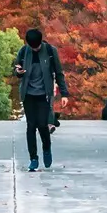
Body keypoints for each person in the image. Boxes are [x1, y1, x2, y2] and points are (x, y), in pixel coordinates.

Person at [13, 26, 69, 171]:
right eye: (33, 47)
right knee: (30, 126)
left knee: (43, 125)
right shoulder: (24, 51)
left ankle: (46, 149)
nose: (35, 49)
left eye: (37, 46)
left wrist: (64, 94)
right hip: (28, 94)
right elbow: (16, 69)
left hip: (44, 94)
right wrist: (18, 71)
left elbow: (59, 73)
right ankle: (33, 158)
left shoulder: (50, 51)